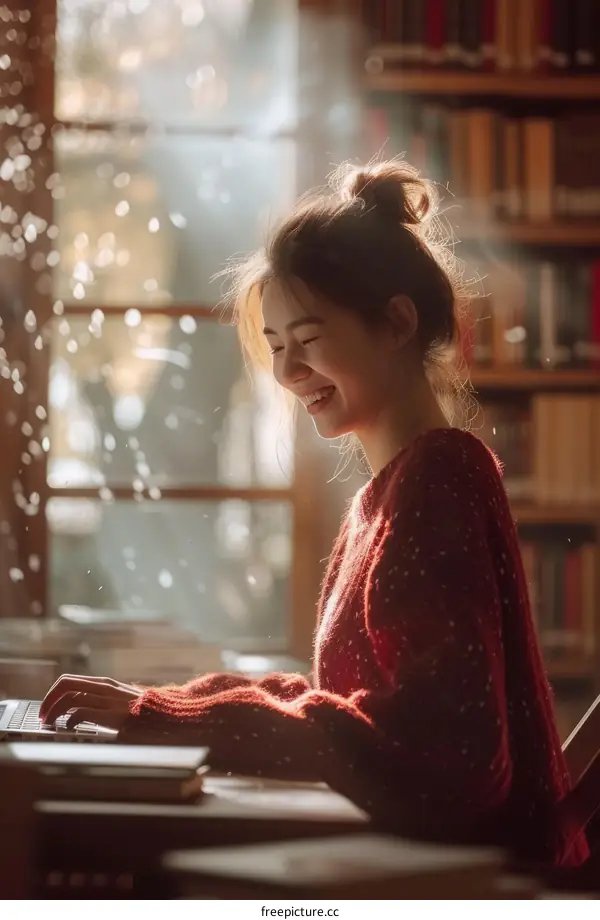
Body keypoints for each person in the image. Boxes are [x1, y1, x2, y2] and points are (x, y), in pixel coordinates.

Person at [40, 161, 588, 867]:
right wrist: (163, 705)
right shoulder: (391, 491)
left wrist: (175, 717)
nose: (286, 372)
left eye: (307, 338)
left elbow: (451, 762)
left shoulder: (436, 481)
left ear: (395, 322)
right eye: (275, 348)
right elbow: (351, 705)